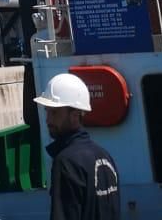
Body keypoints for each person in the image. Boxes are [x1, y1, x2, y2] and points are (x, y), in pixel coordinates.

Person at [34, 72, 121, 219]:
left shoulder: (66, 162)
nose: (48, 120)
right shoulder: (104, 156)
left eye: (54, 112)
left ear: (75, 115)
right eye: (47, 111)